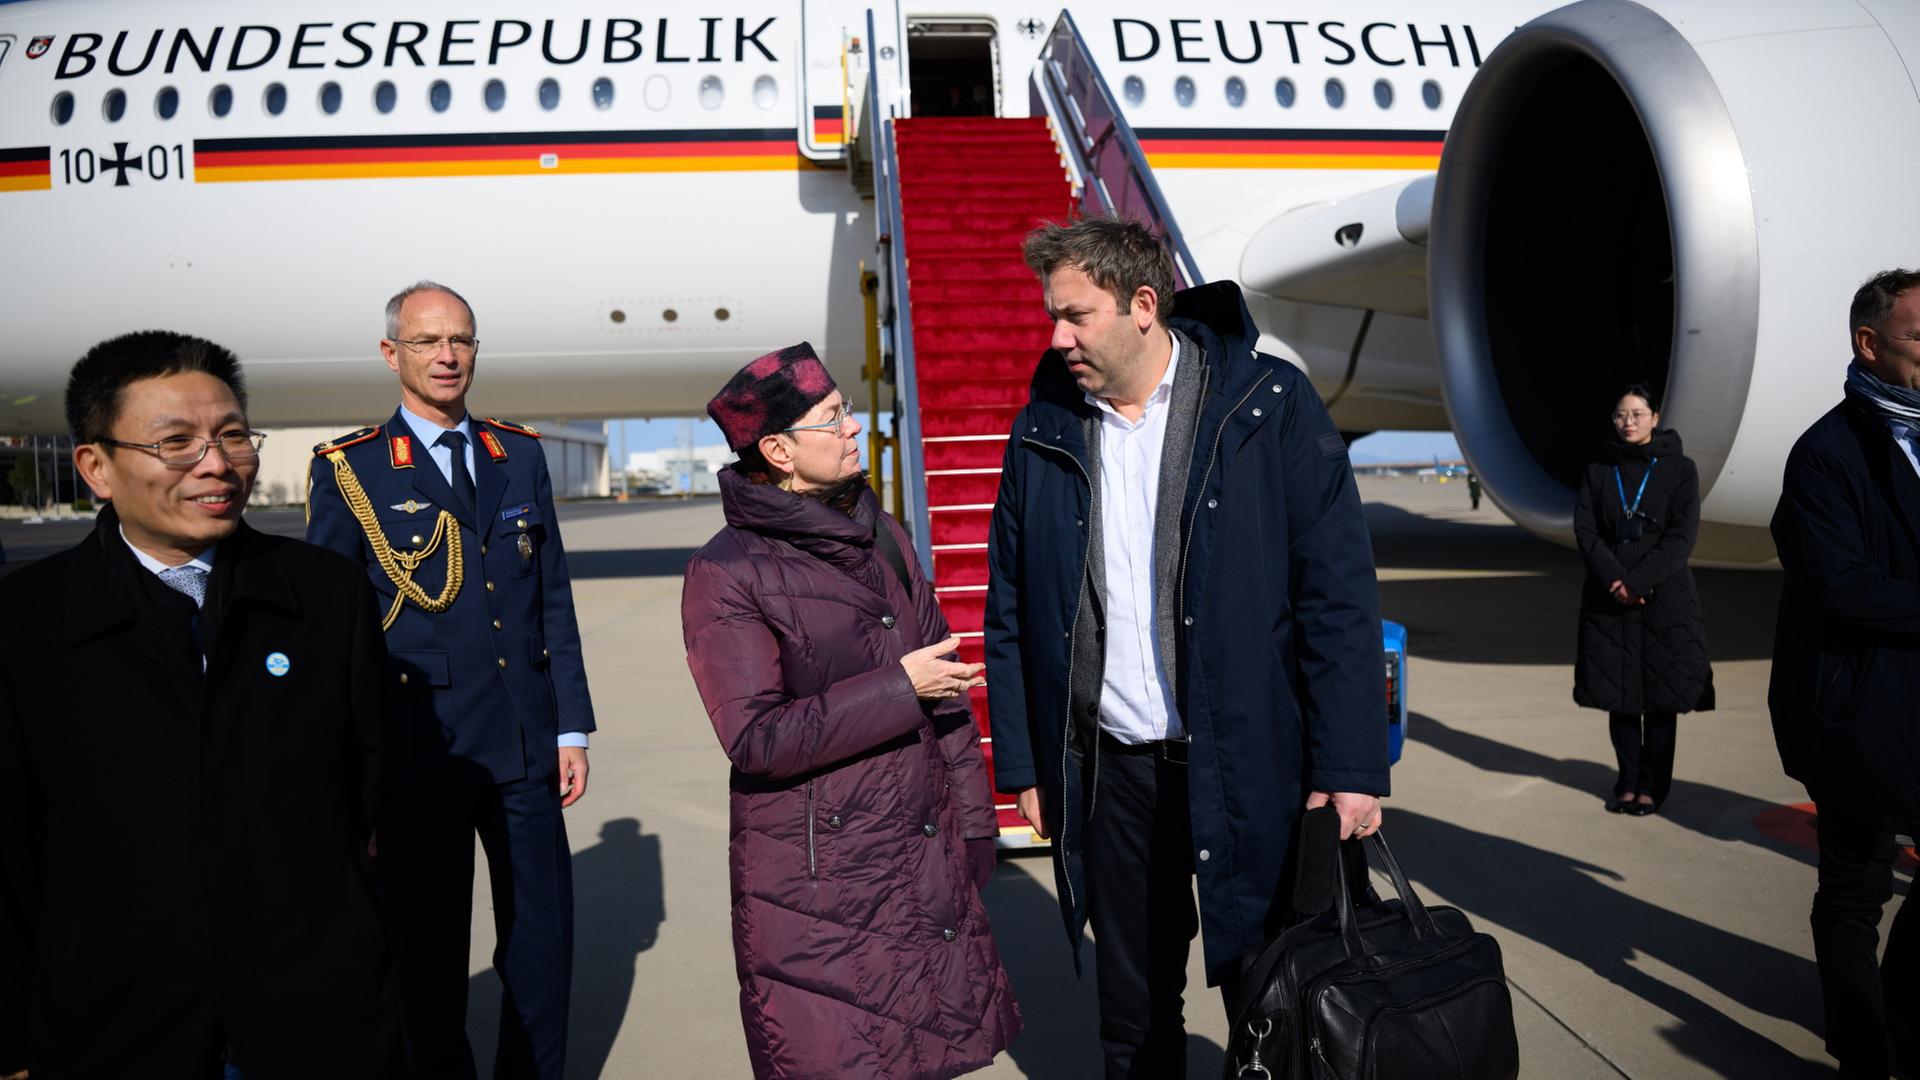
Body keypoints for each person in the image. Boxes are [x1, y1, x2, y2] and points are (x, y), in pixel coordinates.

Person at [983, 217, 1389, 1076]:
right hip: (1114, 775)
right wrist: (1026, 768)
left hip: (1251, 760)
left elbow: (1337, 597)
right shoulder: (1043, 431)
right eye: (1054, 317)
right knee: (1132, 1015)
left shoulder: (1266, 404)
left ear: (1142, 305)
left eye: (1076, 316)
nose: (1058, 339)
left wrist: (1351, 764)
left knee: (1276, 999)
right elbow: (1011, 610)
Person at [0, 331, 399, 1077]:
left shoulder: (326, 595)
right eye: (175, 442)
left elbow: (369, 794)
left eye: (233, 436)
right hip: (115, 1028)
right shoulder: (26, 621)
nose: (216, 464)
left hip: (314, 1018)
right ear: (96, 467)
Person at [681, 344, 1021, 1079]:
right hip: (823, 889)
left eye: (847, 411)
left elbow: (947, 691)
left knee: (928, 1057)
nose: (854, 428)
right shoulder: (725, 570)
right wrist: (899, 688)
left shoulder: (885, 535)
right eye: (832, 418)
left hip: (921, 858)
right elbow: (756, 738)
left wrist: (973, 826)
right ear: (779, 451)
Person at [306, 282, 595, 1079]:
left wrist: (571, 726)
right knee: (426, 954)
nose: (447, 356)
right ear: (390, 353)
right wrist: (348, 762)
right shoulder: (352, 468)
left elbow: (551, 599)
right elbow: (334, 628)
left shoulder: (518, 453)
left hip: (527, 745)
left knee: (542, 947)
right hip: (419, 749)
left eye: (460, 340)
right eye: (427, 341)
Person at [1769, 268, 1920, 1079]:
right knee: (1857, 887)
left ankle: (1898, 1016)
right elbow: (1843, 585)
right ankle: (1863, 1049)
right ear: (1870, 343)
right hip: (1857, 710)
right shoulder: (1826, 454)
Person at [1571, 384, 1715, 816]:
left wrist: (1638, 582)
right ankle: (1627, 782)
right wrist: (1616, 579)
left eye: (1637, 413)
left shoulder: (1680, 469)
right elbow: (1586, 531)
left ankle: (1653, 787)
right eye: (1621, 415)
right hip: (1609, 596)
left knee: (1660, 699)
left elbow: (1681, 536)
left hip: (1664, 598)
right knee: (1620, 698)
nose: (1628, 422)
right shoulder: (1599, 470)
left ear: (1655, 418)